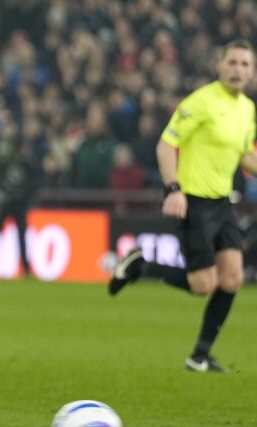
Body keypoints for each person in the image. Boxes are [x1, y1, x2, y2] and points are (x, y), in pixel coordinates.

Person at [109, 39, 257, 373]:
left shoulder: (247, 109)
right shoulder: (200, 102)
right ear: (219, 66)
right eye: (232, 63)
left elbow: (245, 155)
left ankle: (199, 356)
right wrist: (173, 189)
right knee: (203, 285)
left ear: (253, 71)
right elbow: (166, 144)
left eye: (245, 64)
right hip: (193, 202)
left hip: (221, 202)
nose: (238, 70)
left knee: (232, 278)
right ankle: (139, 267)